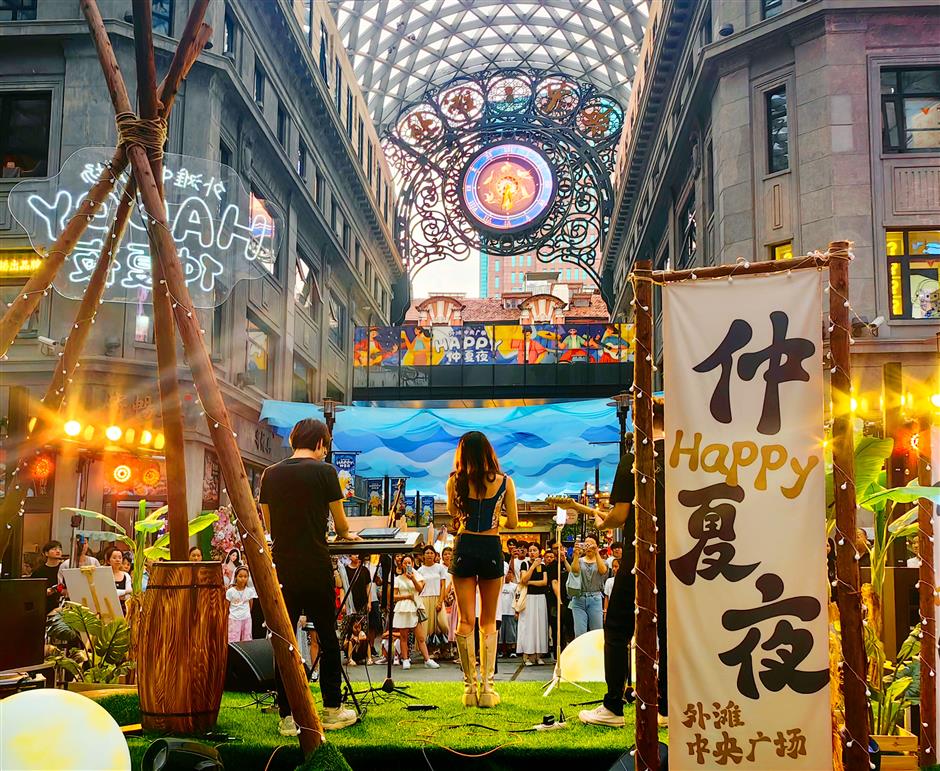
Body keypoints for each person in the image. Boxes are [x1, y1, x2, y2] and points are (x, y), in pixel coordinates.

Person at [259, 417, 361, 735]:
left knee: (284, 640)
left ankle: (288, 716)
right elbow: (341, 526)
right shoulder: (325, 472)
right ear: (319, 443)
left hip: (284, 566)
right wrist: (345, 534)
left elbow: (270, 526)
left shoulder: (270, 473)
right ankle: (331, 709)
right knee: (328, 638)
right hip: (316, 564)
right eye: (325, 446)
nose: (325, 452)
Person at [576, 397, 666, 729]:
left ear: (640, 422)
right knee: (669, 630)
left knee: (617, 629)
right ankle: (666, 707)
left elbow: (620, 515)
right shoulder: (682, 456)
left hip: (639, 557)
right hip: (678, 557)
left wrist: (604, 522)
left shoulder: (634, 458)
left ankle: (613, 706)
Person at [447, 430, 519, 707]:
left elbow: (453, 513)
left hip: (464, 545)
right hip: (491, 546)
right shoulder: (505, 482)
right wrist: (497, 514)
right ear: (488, 451)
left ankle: (469, 689)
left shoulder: (455, 481)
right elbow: (513, 522)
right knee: (488, 619)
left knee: (465, 619)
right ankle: (488, 689)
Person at [392, 555, 439, 669]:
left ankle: (427, 659)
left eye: (409, 563)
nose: (407, 565)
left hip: (415, 607)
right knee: (403, 636)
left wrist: (412, 578)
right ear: (401, 565)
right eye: (405, 563)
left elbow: (420, 589)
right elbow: (394, 596)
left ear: (413, 564)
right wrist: (407, 596)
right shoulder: (398, 579)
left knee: (420, 636)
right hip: (403, 608)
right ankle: (405, 659)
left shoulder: (418, 576)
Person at [569, 533, 608, 638]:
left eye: (591, 544)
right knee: (579, 633)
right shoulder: (579, 561)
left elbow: (603, 571)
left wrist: (596, 552)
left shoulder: (603, 562)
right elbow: (574, 570)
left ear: (597, 546)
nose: (588, 546)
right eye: (586, 544)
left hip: (595, 598)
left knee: (597, 632)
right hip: (579, 598)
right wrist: (576, 554)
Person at [517, 543, 549, 665]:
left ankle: (538, 655)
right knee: (528, 626)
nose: (532, 553)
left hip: (540, 597)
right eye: (530, 550)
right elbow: (523, 580)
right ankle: (527, 655)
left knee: (540, 625)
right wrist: (533, 566)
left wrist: (530, 582)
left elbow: (544, 582)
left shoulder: (543, 566)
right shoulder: (524, 564)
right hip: (528, 597)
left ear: (539, 552)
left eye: (534, 550)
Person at [417, 545, 449, 657]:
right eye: (427, 553)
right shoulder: (420, 570)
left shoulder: (440, 568)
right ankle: (429, 651)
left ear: (435, 555)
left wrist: (440, 601)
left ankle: (445, 649)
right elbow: (418, 587)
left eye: (431, 553)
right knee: (427, 628)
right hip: (424, 599)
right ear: (423, 556)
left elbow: (443, 585)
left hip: (437, 598)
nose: (429, 555)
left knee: (443, 624)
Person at [32, 540, 65, 614]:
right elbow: (32, 591)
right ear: (46, 553)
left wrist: (59, 589)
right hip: (44, 606)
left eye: (60, 549)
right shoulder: (39, 571)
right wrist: (45, 592)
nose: (58, 551)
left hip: (62, 605)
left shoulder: (64, 568)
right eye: (54, 549)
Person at [226, 566, 256, 643]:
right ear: (236, 577)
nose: (243, 579)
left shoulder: (249, 591)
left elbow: (250, 604)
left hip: (246, 618)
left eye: (245, 576)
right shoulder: (230, 591)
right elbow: (227, 606)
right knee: (233, 638)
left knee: (246, 637)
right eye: (240, 576)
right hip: (234, 618)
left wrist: (246, 613)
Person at [498, 559, 518, 657]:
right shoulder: (499, 585)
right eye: (507, 573)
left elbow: (517, 599)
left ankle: (512, 650)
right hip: (501, 613)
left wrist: (517, 611)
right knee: (501, 634)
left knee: (511, 633)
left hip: (511, 612)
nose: (508, 575)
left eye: (510, 573)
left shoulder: (515, 586)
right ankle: (502, 651)